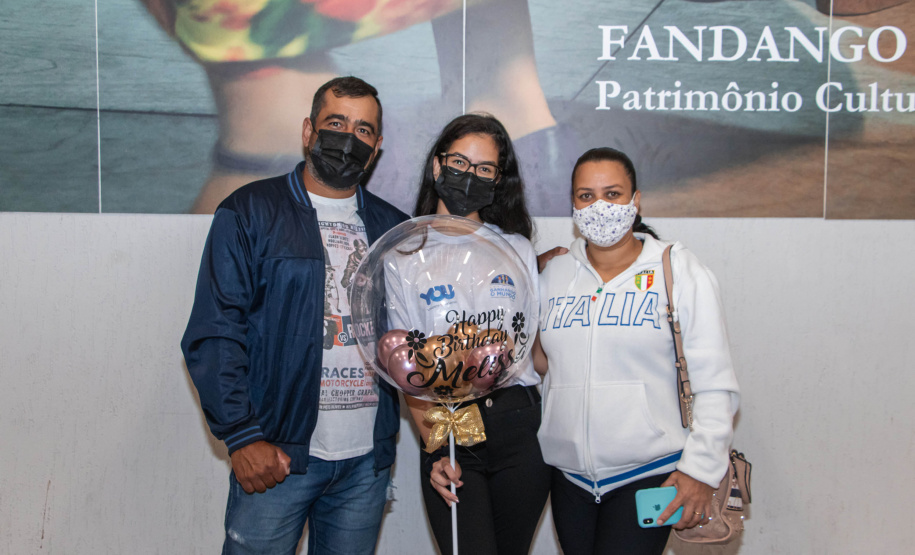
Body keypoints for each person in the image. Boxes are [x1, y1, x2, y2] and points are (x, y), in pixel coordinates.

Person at [181, 76, 408, 555]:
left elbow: (409, 336)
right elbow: (214, 333)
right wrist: (242, 438)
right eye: (336, 123)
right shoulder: (250, 212)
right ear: (308, 131)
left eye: (364, 130)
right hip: (276, 457)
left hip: (365, 463)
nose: (349, 138)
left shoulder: (393, 227)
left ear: (377, 146)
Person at [535, 147, 740, 554]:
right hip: (569, 479)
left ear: (636, 199)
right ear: (573, 204)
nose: (600, 207)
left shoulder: (677, 268)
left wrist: (700, 469)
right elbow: (542, 363)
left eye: (612, 194)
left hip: (649, 474)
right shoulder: (554, 274)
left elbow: (714, 382)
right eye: (586, 196)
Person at [402, 113, 551, 555]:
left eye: (485, 169)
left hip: (519, 426)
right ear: (436, 165)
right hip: (451, 427)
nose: (470, 176)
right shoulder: (404, 252)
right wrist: (434, 448)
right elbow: (405, 366)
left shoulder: (518, 248)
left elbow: (536, 350)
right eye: (460, 163)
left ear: (498, 180)